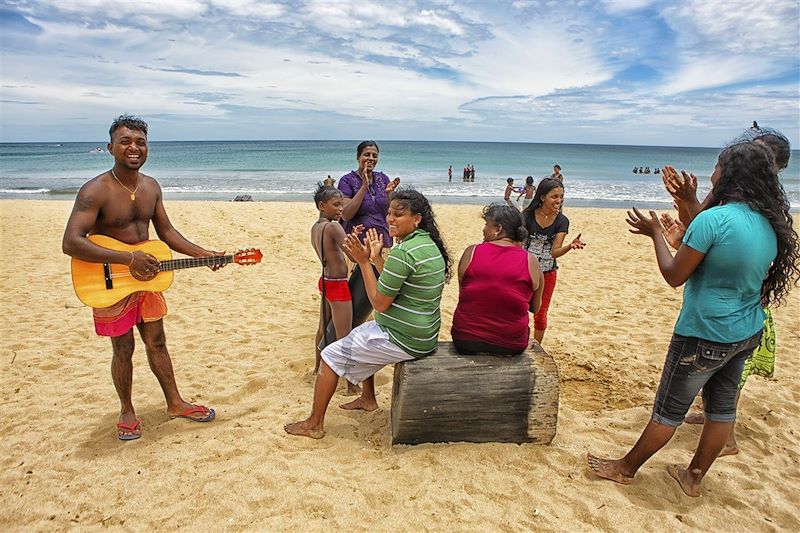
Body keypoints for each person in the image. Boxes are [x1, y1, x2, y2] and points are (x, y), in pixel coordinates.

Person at [587, 140, 799, 497]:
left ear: (731, 173)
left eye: (718, 165)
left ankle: (625, 468)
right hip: (746, 331)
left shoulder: (714, 220)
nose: (713, 172)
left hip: (703, 332)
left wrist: (656, 234)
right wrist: (685, 221)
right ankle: (693, 476)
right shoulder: (770, 222)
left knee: (668, 411)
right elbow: (726, 263)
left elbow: (674, 274)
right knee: (721, 410)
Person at [62, 114, 221, 441]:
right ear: (110, 148)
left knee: (157, 341)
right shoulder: (95, 191)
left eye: (140, 142)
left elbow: (167, 232)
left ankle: (175, 403)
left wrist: (205, 255)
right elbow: (71, 242)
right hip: (109, 281)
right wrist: (127, 258)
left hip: (146, 279)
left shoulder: (151, 187)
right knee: (123, 348)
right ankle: (127, 411)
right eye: (126, 142)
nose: (134, 148)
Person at [661, 127, 792, 456]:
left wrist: (665, 236)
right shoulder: (754, 204)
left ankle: (725, 438)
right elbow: (703, 229)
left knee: (718, 380)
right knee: (722, 380)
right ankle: (716, 429)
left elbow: (703, 238)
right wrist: (686, 203)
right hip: (740, 309)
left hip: (727, 307)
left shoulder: (763, 205)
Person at [285, 189, 451, 439]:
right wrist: (375, 259)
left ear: (417, 218)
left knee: (330, 356)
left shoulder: (404, 253)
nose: (390, 219)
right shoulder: (426, 244)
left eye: (398, 214)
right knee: (361, 332)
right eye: (389, 213)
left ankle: (314, 424)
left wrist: (363, 262)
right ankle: (367, 398)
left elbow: (379, 302)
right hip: (422, 332)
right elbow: (393, 284)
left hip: (403, 337)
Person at [451, 204, 543, 355]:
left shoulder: (471, 252)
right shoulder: (531, 261)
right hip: (512, 344)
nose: (483, 230)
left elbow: (465, 295)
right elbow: (535, 308)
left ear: (498, 229)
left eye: (487, 225)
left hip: (465, 340)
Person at [521, 178, 585, 344]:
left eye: (561, 196)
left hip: (547, 273)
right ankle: (518, 342)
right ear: (542, 197)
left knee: (540, 314)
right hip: (523, 271)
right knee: (519, 309)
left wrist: (571, 245)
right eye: (554, 196)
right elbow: (517, 243)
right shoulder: (527, 216)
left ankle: (536, 349)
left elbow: (554, 252)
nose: (559, 200)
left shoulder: (562, 221)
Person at [311, 185, 360, 395]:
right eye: (336, 205)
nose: (341, 209)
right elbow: (352, 255)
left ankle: (317, 367)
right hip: (339, 284)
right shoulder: (334, 227)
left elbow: (333, 248)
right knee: (345, 335)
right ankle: (351, 384)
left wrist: (351, 235)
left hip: (326, 280)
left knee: (323, 327)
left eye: (342, 204)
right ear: (322, 206)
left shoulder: (316, 227)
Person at [338, 141, 400, 250]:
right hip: (358, 246)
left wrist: (390, 193)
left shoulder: (383, 178)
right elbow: (346, 215)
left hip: (382, 243)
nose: (371, 158)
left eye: (374, 156)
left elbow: (391, 212)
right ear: (358, 157)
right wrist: (364, 187)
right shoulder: (346, 181)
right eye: (367, 154)